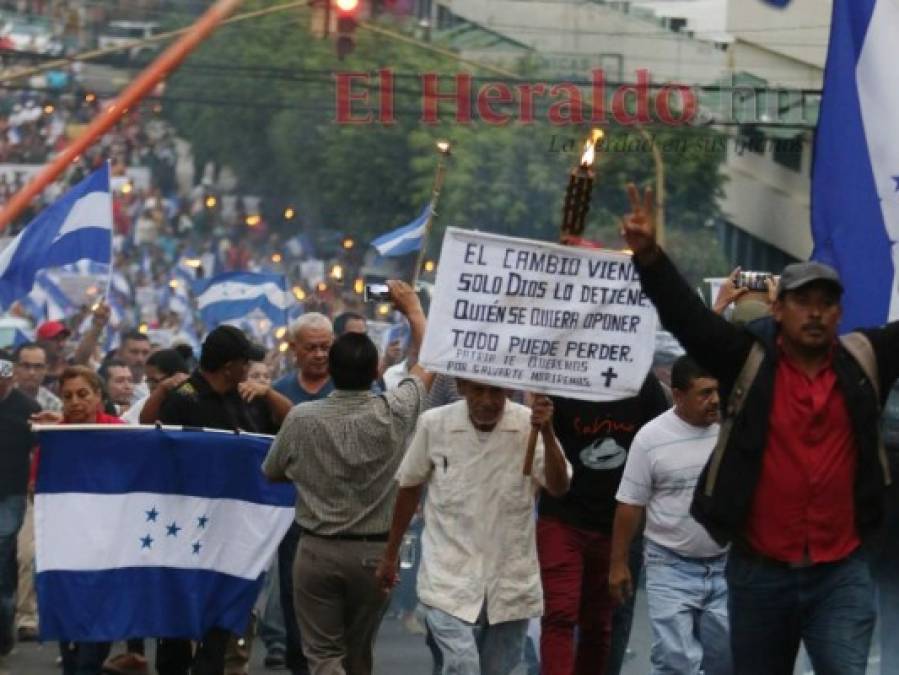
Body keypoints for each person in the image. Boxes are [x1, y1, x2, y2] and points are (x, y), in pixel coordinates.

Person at [621, 183, 899, 675]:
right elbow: (688, 322)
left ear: (838, 313)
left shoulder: (865, 360)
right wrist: (650, 258)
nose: (814, 312)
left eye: (825, 302)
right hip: (760, 573)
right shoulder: (746, 362)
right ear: (777, 308)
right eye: (801, 301)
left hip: (842, 572)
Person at [262, 280, 433, 675]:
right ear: (375, 370)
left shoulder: (302, 417)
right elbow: (428, 365)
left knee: (321, 655)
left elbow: (271, 470)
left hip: (317, 550)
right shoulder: (394, 410)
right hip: (374, 554)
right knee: (359, 654)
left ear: (331, 370)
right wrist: (414, 310)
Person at [377, 382, 571, 674]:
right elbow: (409, 486)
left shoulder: (528, 424)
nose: (487, 401)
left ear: (508, 390)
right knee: (463, 665)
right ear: (462, 387)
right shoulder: (434, 423)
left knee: (497, 668)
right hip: (448, 574)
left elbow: (559, 486)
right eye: (479, 391)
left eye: (496, 392)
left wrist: (547, 431)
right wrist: (390, 555)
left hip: (509, 577)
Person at [154, 325, 292, 675]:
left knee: (220, 623)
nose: (250, 369)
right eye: (246, 362)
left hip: (232, 530)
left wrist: (268, 394)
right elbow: (155, 443)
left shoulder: (247, 398)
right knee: (176, 624)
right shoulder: (182, 398)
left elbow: (293, 426)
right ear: (230, 366)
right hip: (185, 527)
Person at [537, 372, 669, 675]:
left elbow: (661, 442)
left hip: (617, 521)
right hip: (563, 515)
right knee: (558, 615)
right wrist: (542, 424)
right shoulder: (562, 379)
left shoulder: (642, 384)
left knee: (599, 624)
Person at [609, 356, 731, 674]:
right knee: (677, 660)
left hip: (727, 567)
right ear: (678, 395)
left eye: (717, 391)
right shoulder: (651, 439)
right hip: (670, 566)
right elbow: (630, 504)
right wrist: (618, 563)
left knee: (727, 659)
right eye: (703, 393)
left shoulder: (732, 433)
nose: (715, 400)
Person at [31, 366, 124, 675]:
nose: (75, 402)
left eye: (83, 394)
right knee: (69, 616)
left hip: (109, 545)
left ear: (98, 396)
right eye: (67, 396)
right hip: (67, 545)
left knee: (98, 630)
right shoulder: (55, 437)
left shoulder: (121, 432)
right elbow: (37, 489)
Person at [271, 312, 335, 675]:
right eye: (311, 347)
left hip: (341, 514)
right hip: (293, 513)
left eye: (326, 347)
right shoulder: (279, 390)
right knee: (294, 600)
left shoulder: (348, 387)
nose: (319, 354)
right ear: (294, 349)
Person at [0, 350, 40, 657]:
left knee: (4, 554)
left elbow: (39, 450)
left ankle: (4, 627)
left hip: (11, 494)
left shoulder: (27, 408)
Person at [13, 342, 62, 412]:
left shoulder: (54, 405)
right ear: (15, 368)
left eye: (38, 366)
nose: (31, 372)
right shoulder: (3, 397)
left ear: (46, 369)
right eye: (26, 366)